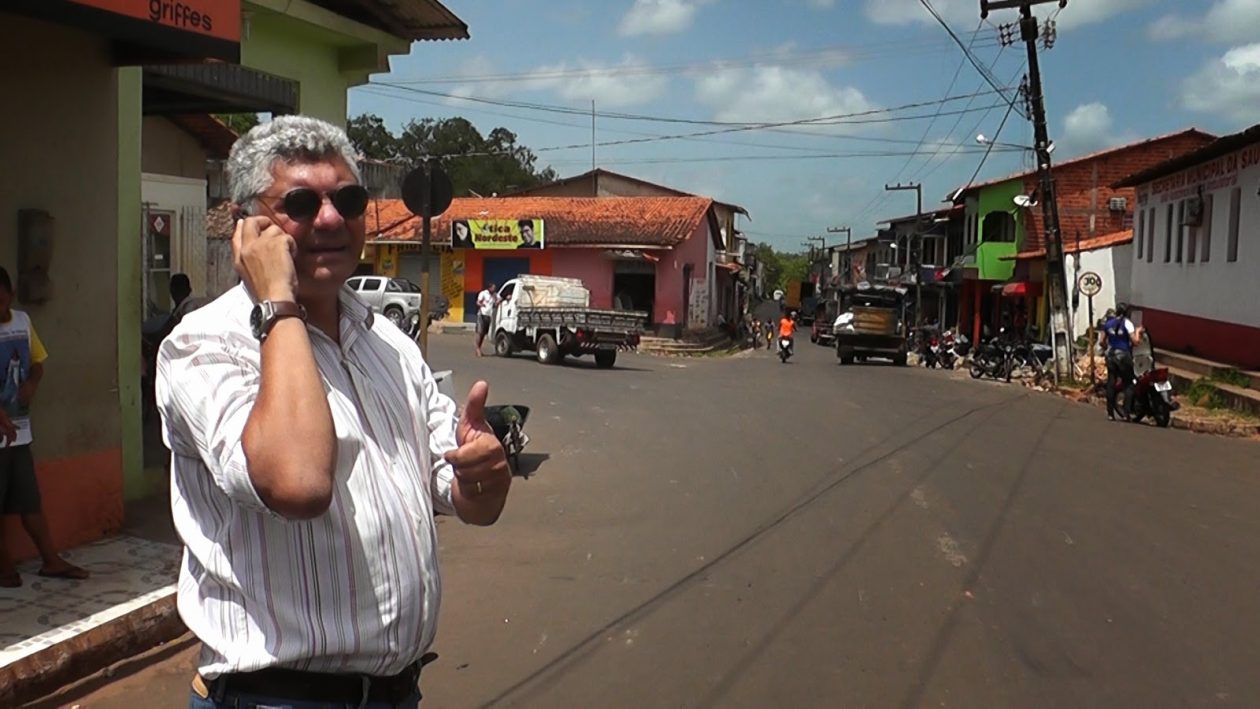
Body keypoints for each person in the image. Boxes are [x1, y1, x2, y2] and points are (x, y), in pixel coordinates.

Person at [156, 115, 510, 708]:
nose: (329, 219)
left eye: (347, 199)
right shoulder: (206, 346)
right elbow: (297, 482)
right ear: (248, 228)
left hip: (398, 694)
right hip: (275, 699)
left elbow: (460, 495)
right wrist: (278, 300)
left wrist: (482, 476)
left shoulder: (389, 345)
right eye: (299, 202)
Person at [0, 267, 89, 587]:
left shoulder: (22, 322)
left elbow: (37, 363)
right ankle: (4, 565)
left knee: (29, 500)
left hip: (20, 430)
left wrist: (32, 384)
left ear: (9, 295)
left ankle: (50, 560)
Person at [1102, 302, 1144, 421]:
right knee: (1129, 383)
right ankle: (1126, 413)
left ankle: (1110, 413)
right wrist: (1138, 331)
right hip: (1124, 356)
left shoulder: (1108, 323)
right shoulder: (1127, 323)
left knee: (1111, 382)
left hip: (1110, 356)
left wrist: (1108, 349)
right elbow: (1135, 342)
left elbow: (1102, 342)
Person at [475, 281, 498, 356]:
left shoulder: (494, 295)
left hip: (489, 315)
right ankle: (477, 349)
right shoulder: (483, 293)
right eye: (493, 288)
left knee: (484, 333)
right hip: (482, 314)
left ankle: (479, 347)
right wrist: (481, 305)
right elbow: (478, 302)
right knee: (480, 332)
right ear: (489, 288)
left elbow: (498, 300)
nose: (494, 289)